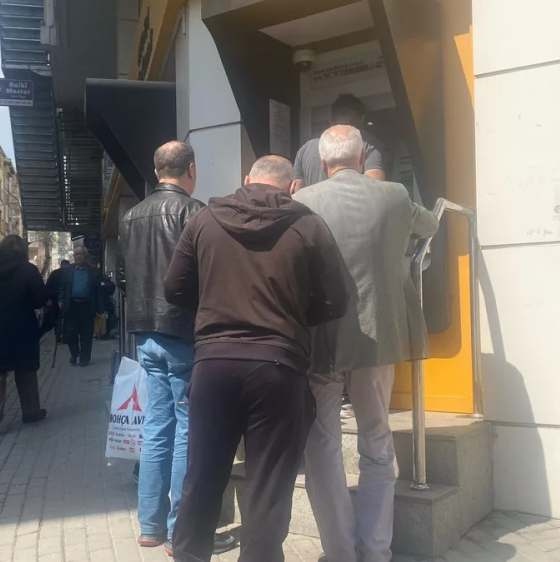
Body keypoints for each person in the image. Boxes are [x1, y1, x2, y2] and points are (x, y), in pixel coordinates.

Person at [166, 156, 349, 562]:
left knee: (202, 476)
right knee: (269, 487)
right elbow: (338, 299)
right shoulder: (309, 225)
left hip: (214, 364)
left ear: (246, 179)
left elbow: (174, 288)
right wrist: (293, 317)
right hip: (278, 367)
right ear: (292, 187)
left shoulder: (204, 220)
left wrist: (214, 313)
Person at [293, 125, 440, 562]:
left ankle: (339, 552)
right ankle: (376, 551)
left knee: (322, 446)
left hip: (321, 340)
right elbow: (430, 224)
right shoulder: (394, 195)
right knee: (376, 443)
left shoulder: (301, 202)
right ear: (362, 159)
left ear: (322, 162)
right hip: (377, 339)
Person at [120, 141, 235, 556]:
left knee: (156, 427)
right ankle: (182, 531)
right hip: (184, 334)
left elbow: (124, 277)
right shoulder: (196, 212)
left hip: (145, 334)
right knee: (189, 431)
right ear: (191, 170)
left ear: (156, 172)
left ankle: (150, 527)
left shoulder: (131, 216)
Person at [0, 235, 49, 440]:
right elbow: (40, 298)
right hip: (21, 327)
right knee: (26, 370)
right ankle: (31, 411)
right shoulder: (28, 270)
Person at [292, 94, 386, 194]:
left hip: (311, 204)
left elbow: (298, 193)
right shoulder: (368, 142)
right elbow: (375, 189)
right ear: (362, 119)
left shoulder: (306, 148)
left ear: (331, 121)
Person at [59, 247, 104, 367]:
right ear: (73, 256)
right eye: (76, 254)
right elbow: (62, 288)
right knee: (71, 332)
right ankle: (74, 353)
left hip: (87, 306)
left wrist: (100, 309)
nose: (78, 256)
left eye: (81, 254)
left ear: (85, 256)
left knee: (86, 334)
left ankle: (85, 358)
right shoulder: (67, 271)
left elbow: (99, 291)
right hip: (71, 306)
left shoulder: (93, 272)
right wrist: (60, 300)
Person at [46, 259, 70, 343]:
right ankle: (65, 337)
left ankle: (58, 336)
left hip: (55, 298)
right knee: (67, 318)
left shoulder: (54, 273)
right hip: (67, 298)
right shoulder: (70, 273)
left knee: (57, 318)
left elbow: (48, 286)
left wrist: (49, 299)